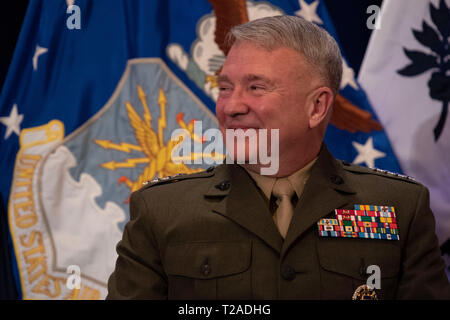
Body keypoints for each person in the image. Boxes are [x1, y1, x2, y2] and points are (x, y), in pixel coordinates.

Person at [106, 15, 449, 300]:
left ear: (317, 106)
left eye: (256, 87)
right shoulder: (160, 211)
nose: (232, 107)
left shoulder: (401, 207)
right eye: (225, 88)